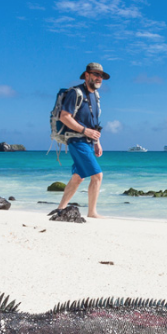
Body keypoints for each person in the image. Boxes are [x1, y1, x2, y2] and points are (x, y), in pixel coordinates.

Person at [53, 62, 108, 219]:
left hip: (89, 142)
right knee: (97, 176)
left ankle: (60, 209)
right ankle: (92, 212)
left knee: (78, 177)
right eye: (96, 75)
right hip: (77, 140)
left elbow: (94, 124)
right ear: (87, 75)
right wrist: (85, 131)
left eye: (101, 76)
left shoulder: (95, 97)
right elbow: (64, 116)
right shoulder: (75, 93)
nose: (99, 78)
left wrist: (97, 142)